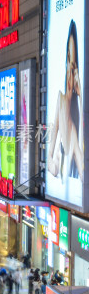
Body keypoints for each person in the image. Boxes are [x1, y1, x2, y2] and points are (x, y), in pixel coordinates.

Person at [47, 19, 84, 183]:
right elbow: (54, 131)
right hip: (57, 171)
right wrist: (49, 158)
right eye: (69, 59)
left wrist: (81, 94)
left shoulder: (74, 131)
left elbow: (84, 171)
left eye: (74, 64)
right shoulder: (60, 99)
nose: (70, 68)